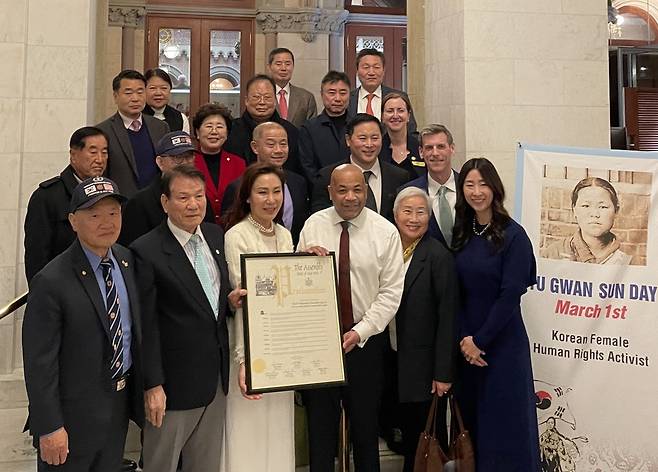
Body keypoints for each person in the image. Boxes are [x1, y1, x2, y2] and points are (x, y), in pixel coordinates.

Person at [23, 176, 143, 472]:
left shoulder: (127, 262)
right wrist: (50, 426)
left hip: (117, 407)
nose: (107, 222)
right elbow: (40, 363)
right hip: (71, 417)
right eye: (94, 215)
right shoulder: (52, 280)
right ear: (74, 222)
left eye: (113, 213)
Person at [298, 164, 404, 472]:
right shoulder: (313, 226)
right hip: (321, 342)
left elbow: (390, 294)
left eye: (357, 189)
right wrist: (302, 263)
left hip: (366, 345)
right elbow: (295, 285)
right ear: (330, 192)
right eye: (342, 190)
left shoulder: (385, 232)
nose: (350, 197)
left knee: (365, 431)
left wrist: (360, 331)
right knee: (320, 431)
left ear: (366, 191)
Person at [130, 165, 232, 472]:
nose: (193, 204)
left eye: (199, 196)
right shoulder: (146, 251)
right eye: (183, 197)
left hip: (214, 379)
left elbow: (211, 304)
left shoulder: (215, 235)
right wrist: (153, 385)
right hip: (172, 387)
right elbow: (145, 326)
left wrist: (232, 301)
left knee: (206, 464)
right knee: (161, 464)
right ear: (165, 202)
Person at [452, 157, 540, 470]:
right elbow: (457, 291)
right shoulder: (463, 231)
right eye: (469, 184)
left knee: (507, 427)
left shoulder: (514, 236)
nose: (477, 191)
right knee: (475, 428)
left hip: (502, 345)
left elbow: (509, 297)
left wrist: (480, 340)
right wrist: (465, 338)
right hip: (467, 349)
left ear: (495, 188)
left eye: (483, 184)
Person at [222, 163, 295, 472]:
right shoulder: (236, 235)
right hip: (248, 344)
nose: (270, 199)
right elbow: (245, 302)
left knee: (278, 426)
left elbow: (288, 297)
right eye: (262, 192)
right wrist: (243, 360)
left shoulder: (285, 234)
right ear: (248, 197)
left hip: (281, 347)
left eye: (276, 192)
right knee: (246, 428)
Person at [389, 187, 458, 472]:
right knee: (405, 440)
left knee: (425, 445)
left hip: (424, 369)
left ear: (429, 217)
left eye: (421, 212)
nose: (414, 218)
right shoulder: (387, 250)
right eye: (407, 211)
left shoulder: (438, 256)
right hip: (393, 360)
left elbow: (448, 317)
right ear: (395, 215)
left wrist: (442, 373)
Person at [24, 126, 108, 282]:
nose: (100, 160)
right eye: (93, 152)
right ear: (73, 155)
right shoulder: (47, 196)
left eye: (104, 152)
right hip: (63, 287)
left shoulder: (109, 195)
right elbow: (37, 257)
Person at [119, 131, 215, 246]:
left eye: (189, 157)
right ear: (160, 162)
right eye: (178, 158)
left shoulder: (200, 198)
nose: (185, 163)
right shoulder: (140, 203)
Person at [311, 114, 411, 222]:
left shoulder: (399, 177)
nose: (369, 144)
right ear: (348, 140)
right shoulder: (327, 176)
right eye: (362, 138)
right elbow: (321, 220)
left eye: (375, 138)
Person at [221, 122, 309, 245]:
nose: (278, 150)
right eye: (271, 144)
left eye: (283, 144)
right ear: (255, 147)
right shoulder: (238, 186)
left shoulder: (298, 182)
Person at [96, 69, 170, 197]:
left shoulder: (160, 127)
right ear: (115, 96)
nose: (135, 98)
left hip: (157, 202)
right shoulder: (102, 131)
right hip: (122, 204)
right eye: (128, 93)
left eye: (140, 92)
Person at [224, 74, 302, 174]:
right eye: (256, 97)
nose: (262, 102)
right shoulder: (231, 131)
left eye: (267, 97)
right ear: (246, 100)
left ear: (275, 101)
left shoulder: (290, 131)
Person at [544, 177, 631, 264]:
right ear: (574, 210)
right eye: (586, 206)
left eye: (603, 207)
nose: (595, 214)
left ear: (616, 211)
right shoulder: (553, 254)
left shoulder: (630, 259)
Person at [401, 124, 459, 249]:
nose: (435, 153)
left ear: (452, 149)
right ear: (421, 152)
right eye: (429, 148)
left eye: (441, 146)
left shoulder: (467, 187)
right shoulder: (409, 193)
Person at [191, 103, 246, 224]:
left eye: (220, 127)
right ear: (197, 132)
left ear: (227, 133)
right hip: (198, 227)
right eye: (208, 126)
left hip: (233, 228)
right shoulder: (188, 163)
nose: (214, 131)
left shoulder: (239, 164)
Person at [299, 70, 353, 182]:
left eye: (343, 93)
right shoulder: (309, 128)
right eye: (332, 93)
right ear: (322, 95)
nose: (337, 98)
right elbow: (307, 167)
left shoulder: (357, 126)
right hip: (321, 192)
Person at [348, 48, 417, 133]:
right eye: (366, 67)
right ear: (357, 71)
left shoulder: (399, 97)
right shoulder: (348, 99)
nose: (371, 72)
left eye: (376, 67)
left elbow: (411, 130)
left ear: (383, 71)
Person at [267, 47, 317, 128]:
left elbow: (312, 129)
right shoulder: (262, 96)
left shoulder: (306, 97)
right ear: (269, 67)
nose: (283, 68)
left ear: (293, 66)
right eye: (278, 64)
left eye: (288, 64)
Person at [380, 93, 424, 177]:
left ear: (408, 115)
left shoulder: (420, 146)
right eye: (390, 111)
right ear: (382, 117)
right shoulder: (376, 148)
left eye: (400, 110)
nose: (395, 115)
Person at [143, 68, 190, 133]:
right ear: (144, 90)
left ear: (170, 90)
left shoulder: (181, 118)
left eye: (164, 88)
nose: (158, 93)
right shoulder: (136, 116)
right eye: (152, 88)